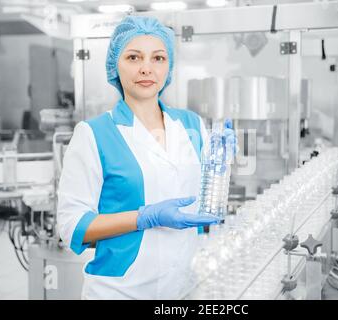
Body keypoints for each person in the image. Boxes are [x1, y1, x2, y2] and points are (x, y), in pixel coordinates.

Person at [56, 16, 236, 299]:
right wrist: (144, 218)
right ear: (116, 64)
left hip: (185, 286)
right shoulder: (93, 134)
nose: (146, 69)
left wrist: (221, 166)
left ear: (169, 67)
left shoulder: (191, 125)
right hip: (120, 290)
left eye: (158, 58)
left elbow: (203, 203)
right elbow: (72, 226)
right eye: (133, 57)